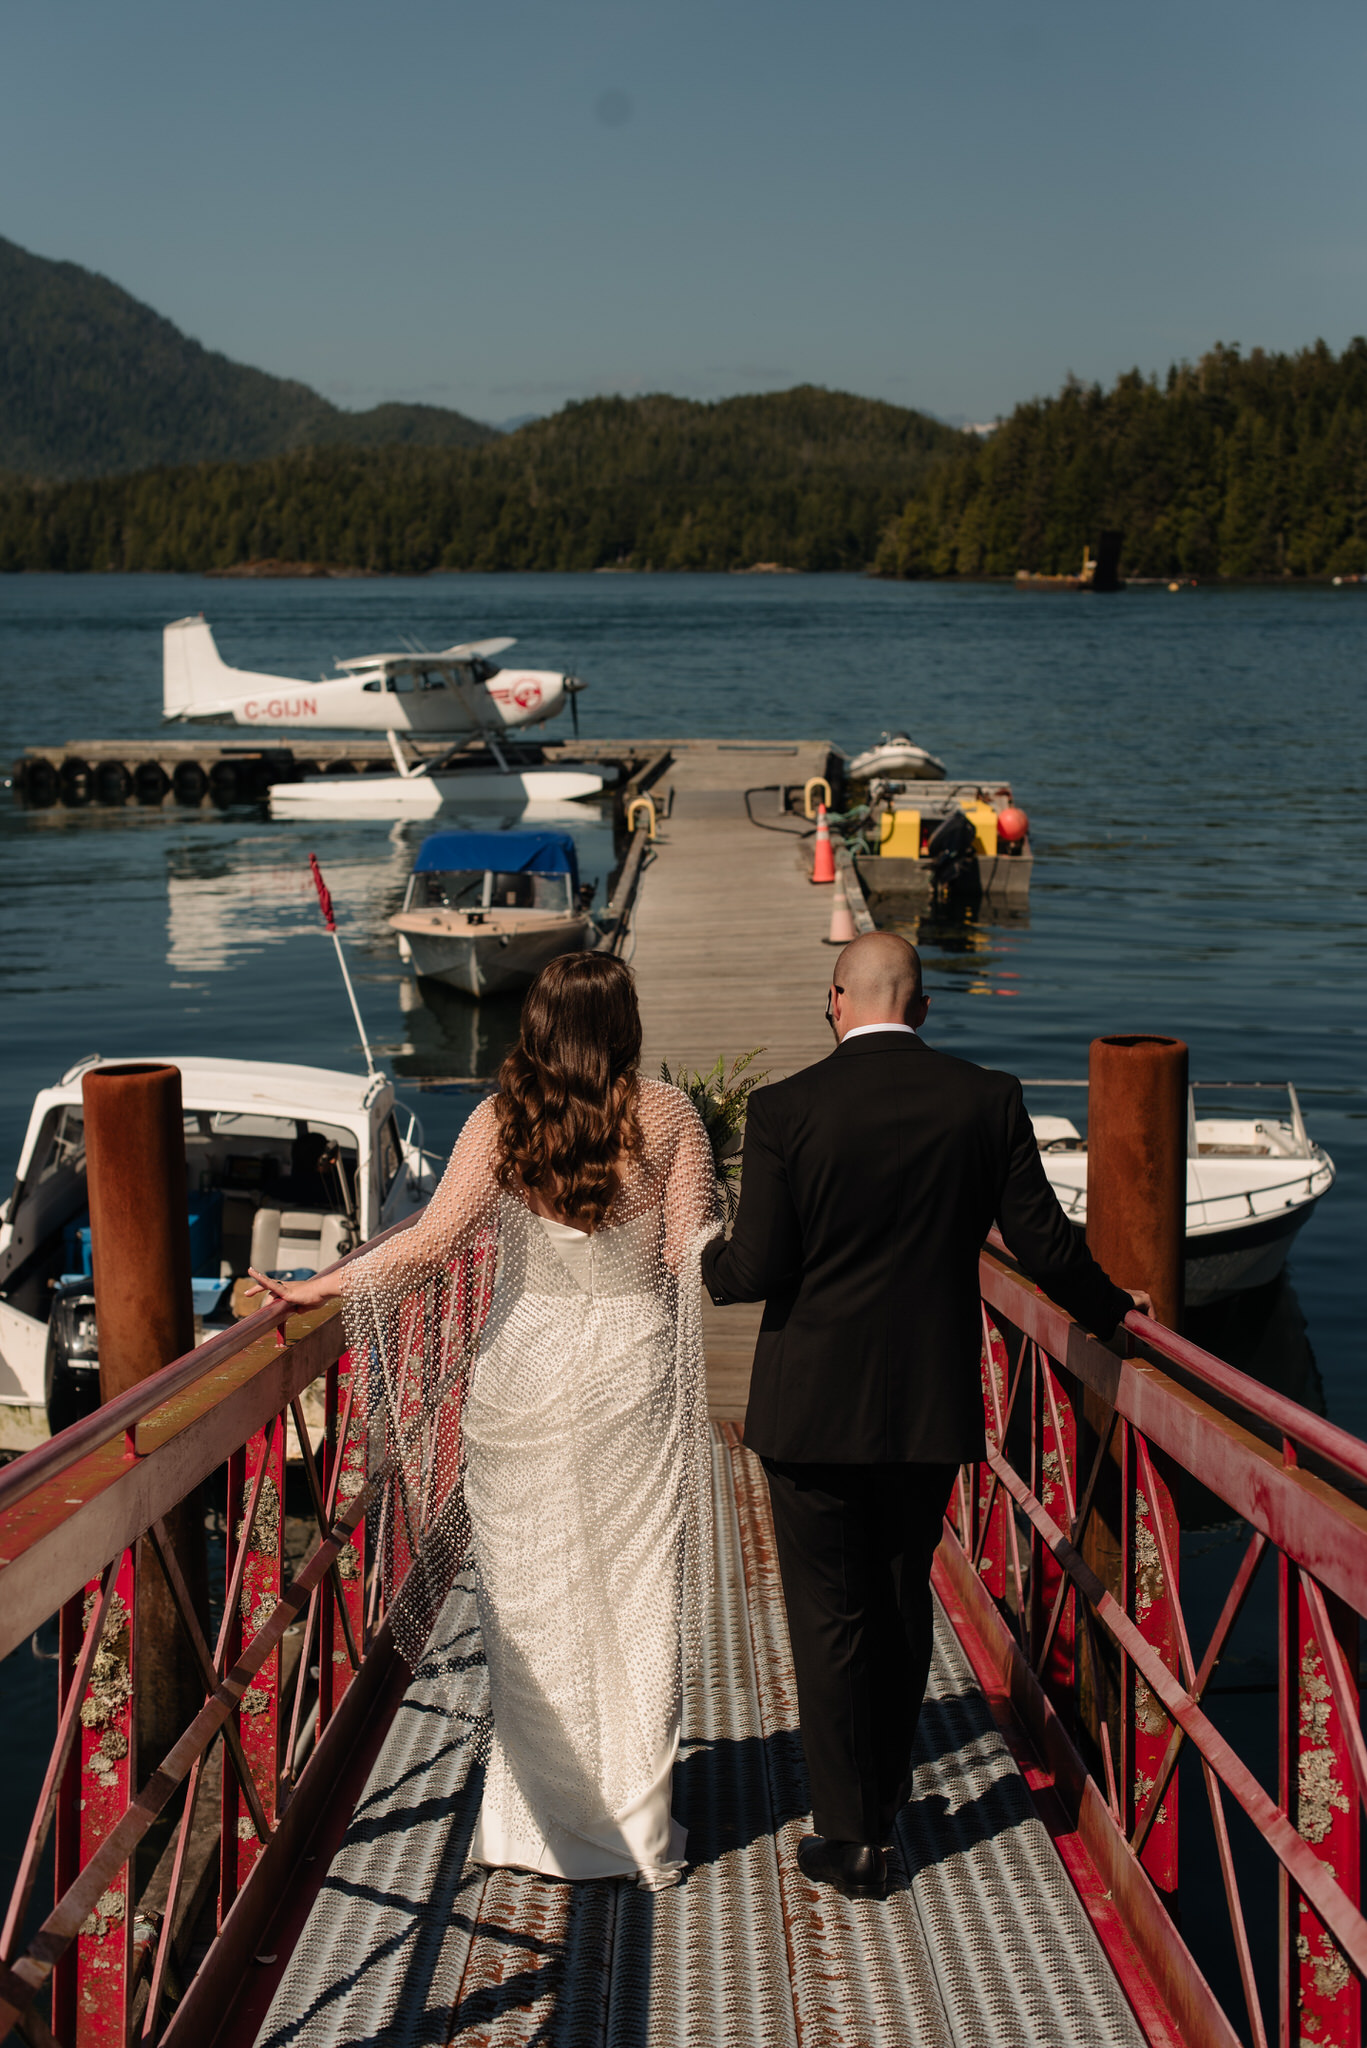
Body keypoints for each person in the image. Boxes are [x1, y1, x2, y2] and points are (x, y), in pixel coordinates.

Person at [249, 953, 718, 1891]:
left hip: (525, 1371)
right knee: (630, 1595)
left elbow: (428, 1246)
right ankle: (632, 1825)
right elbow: (688, 1256)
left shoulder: (501, 1120)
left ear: (537, 1026)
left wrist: (319, 1288)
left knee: (533, 1601)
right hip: (630, 1371)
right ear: (623, 1024)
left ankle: (530, 1825)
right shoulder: (668, 1118)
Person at [701, 931, 1150, 1902]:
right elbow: (1041, 1241)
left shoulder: (786, 1107)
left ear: (833, 999)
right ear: (924, 1007)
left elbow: (755, 1269)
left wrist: (703, 1256)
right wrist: (1114, 1308)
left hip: (808, 1405)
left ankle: (848, 1833)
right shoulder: (982, 1098)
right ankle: (887, 1799)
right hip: (922, 1402)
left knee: (829, 1616)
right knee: (901, 1601)